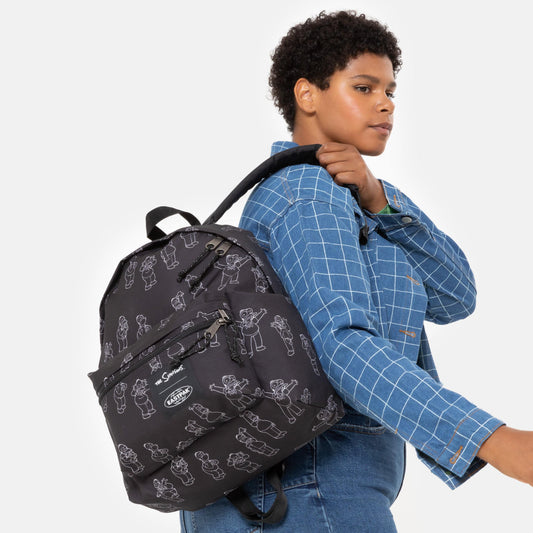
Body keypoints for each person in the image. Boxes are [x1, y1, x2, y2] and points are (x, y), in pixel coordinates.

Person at [180, 10, 533, 533]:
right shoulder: (307, 192)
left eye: (390, 91)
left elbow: (456, 297)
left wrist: (379, 200)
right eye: (364, 88)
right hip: (309, 484)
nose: (385, 103)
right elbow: (341, 345)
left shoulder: (350, 200)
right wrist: (492, 440)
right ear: (307, 94)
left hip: (282, 490)